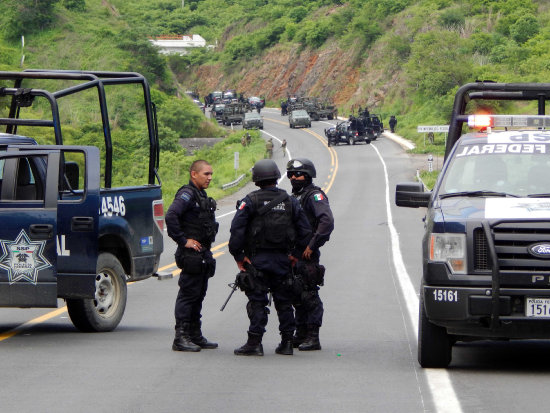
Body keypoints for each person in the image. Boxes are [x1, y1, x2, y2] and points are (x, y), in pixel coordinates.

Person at [229, 159, 312, 356]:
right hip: (283, 260)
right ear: (276, 176)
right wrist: (295, 255)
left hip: (257, 261)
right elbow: (306, 230)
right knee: (284, 302)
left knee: (257, 301)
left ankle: (255, 343)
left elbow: (236, 231)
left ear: (256, 179)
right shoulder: (290, 201)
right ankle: (287, 343)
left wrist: (239, 256)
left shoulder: (250, 201)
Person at [165, 160, 219, 352]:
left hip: (202, 253)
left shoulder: (200, 195)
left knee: (198, 295)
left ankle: (195, 335)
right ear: (193, 174)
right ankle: (181, 337)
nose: (210, 177)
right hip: (191, 254)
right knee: (188, 295)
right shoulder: (186, 194)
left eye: (211, 174)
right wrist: (183, 240)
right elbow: (171, 216)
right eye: (206, 174)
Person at [286, 158, 334, 351]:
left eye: (298, 174)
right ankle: (301, 332)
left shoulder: (314, 196)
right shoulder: (294, 196)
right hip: (292, 254)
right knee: (295, 293)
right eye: (291, 174)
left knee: (309, 295)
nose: (294, 177)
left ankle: (313, 336)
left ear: (308, 176)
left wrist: (312, 246)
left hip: (306, 254)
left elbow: (326, 222)